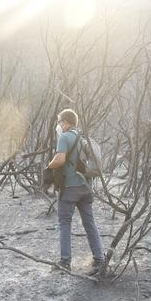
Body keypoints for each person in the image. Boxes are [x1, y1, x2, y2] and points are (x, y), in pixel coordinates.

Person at [48, 108, 105, 273]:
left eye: (60, 122)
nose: (59, 125)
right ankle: (99, 258)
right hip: (86, 188)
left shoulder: (64, 137)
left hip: (70, 188)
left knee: (64, 223)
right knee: (90, 223)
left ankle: (65, 262)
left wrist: (49, 165)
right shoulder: (83, 138)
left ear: (65, 123)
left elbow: (60, 160)